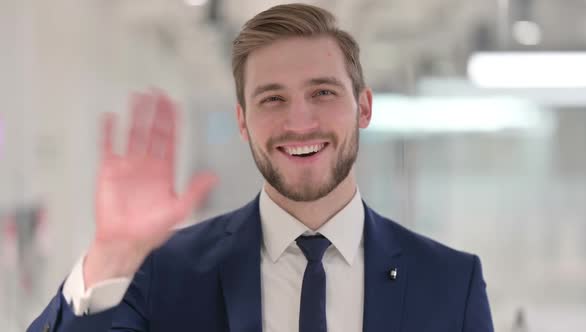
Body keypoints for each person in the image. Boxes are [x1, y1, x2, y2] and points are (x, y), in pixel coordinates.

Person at [28, 3, 494, 332]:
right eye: (273, 99)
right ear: (242, 121)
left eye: (323, 93)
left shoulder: (450, 285)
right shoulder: (166, 274)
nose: (299, 121)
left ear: (364, 108)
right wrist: (111, 256)